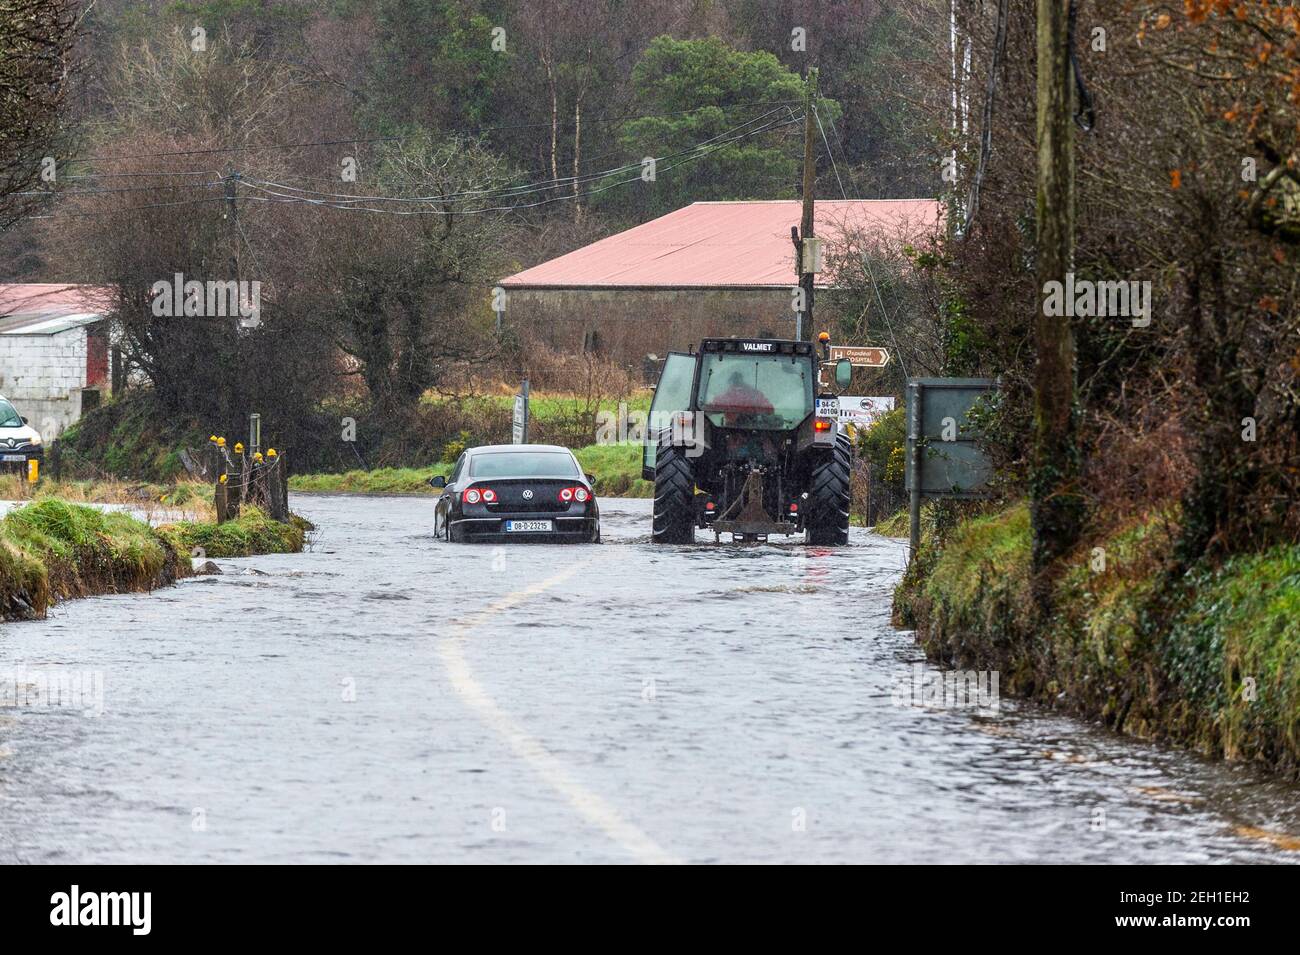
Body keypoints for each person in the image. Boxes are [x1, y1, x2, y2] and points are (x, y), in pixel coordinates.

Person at [706, 368, 774, 424]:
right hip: (752, 428)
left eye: (736, 380)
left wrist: (704, 409)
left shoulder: (726, 397)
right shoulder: (755, 394)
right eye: (736, 380)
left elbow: (712, 408)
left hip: (733, 431)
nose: (737, 382)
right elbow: (769, 408)